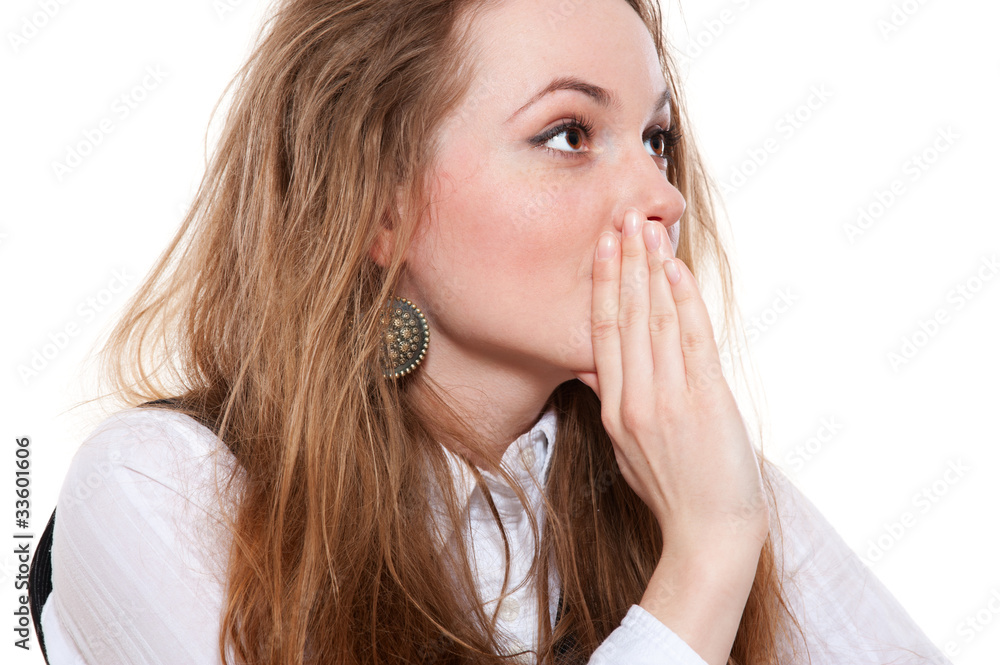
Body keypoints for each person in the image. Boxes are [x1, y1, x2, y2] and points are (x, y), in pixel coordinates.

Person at [36, 0, 954, 663]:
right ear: (378, 205)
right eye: (568, 134)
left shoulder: (713, 486)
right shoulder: (164, 490)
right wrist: (704, 566)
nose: (662, 197)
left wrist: (720, 527)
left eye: (657, 140)